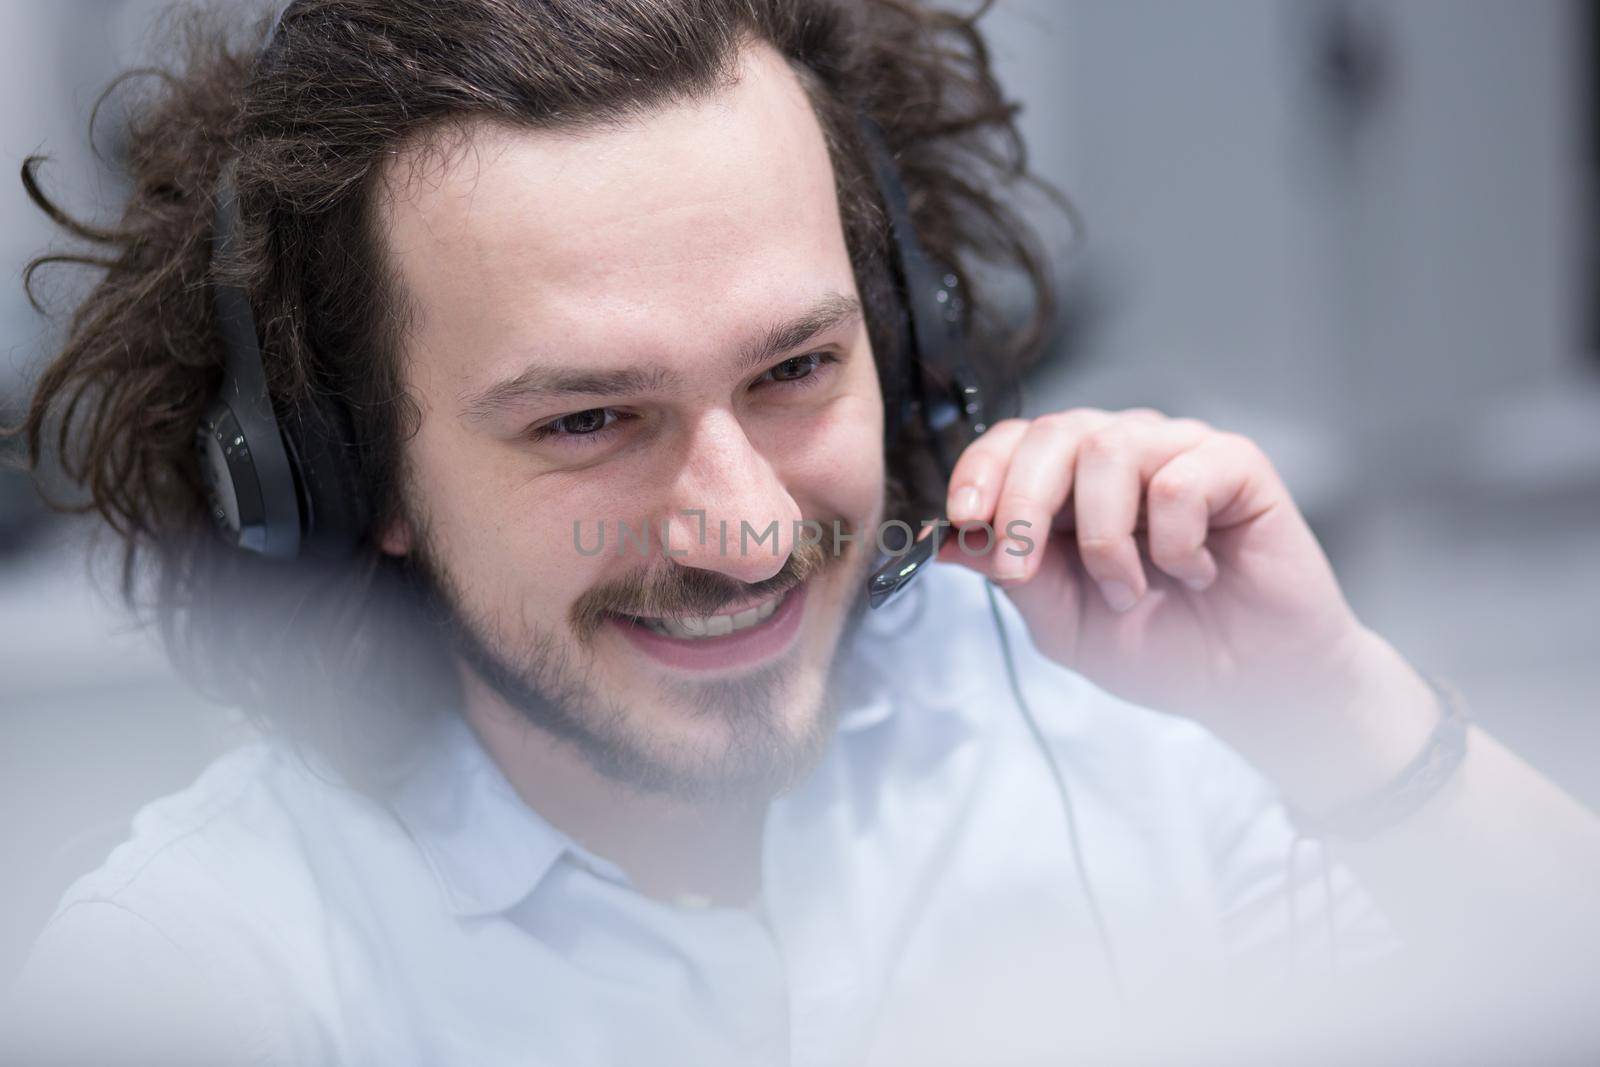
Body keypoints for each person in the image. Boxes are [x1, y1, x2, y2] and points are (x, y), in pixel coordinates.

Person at [4, 1, 1597, 1063]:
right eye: (586, 421)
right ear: (345, 476)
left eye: (795, 370)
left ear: (904, 346)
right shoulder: (200, 975)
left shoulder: (1123, 729)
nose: (751, 531)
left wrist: (1328, 710)